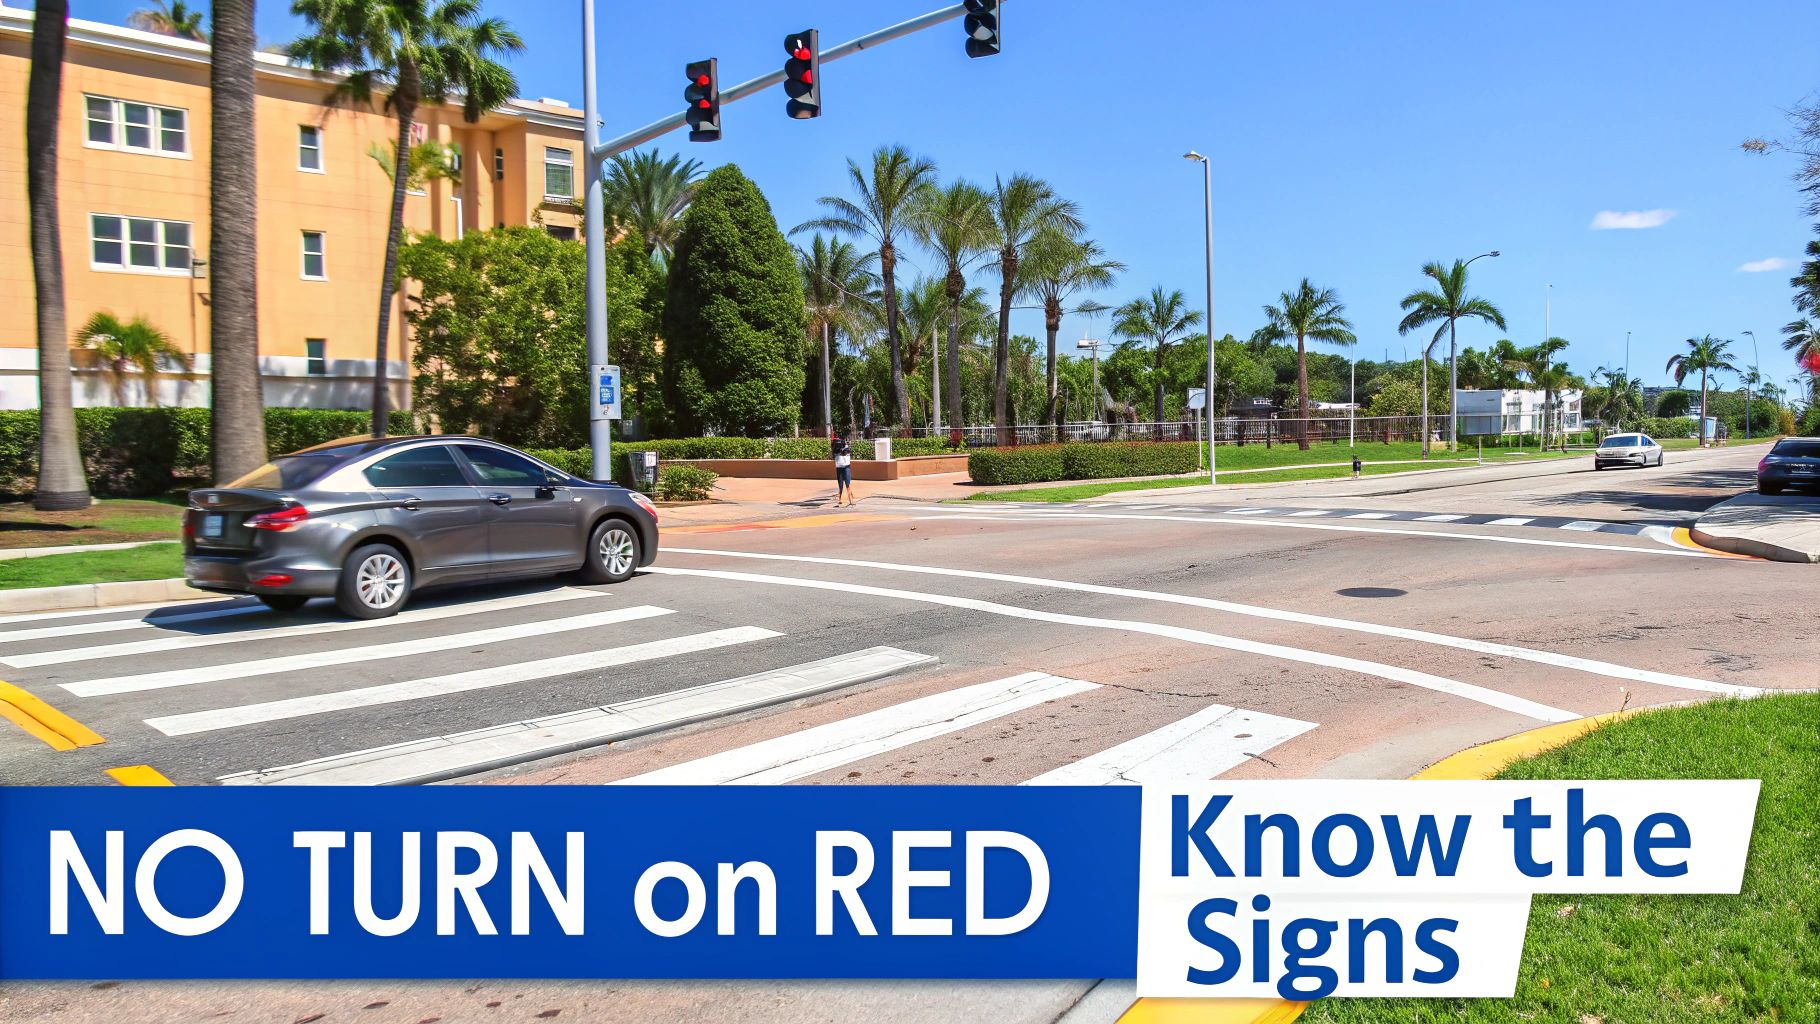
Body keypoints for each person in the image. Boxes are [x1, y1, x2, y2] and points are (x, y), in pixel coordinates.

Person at [832, 435, 854, 506]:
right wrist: (838, 451)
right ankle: (840, 499)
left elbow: (848, 452)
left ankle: (850, 500)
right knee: (840, 485)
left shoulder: (846, 447)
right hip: (839, 467)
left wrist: (844, 451)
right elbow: (833, 455)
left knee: (847, 483)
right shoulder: (835, 448)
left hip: (846, 467)